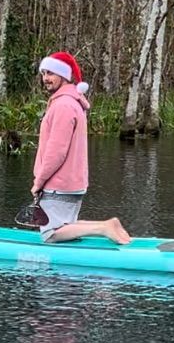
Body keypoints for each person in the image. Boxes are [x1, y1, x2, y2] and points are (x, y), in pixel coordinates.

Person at [31, 52, 131, 245]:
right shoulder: (73, 103)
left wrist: (39, 182)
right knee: (68, 225)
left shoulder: (63, 106)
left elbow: (56, 152)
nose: (45, 79)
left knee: (51, 234)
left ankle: (104, 227)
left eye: (50, 73)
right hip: (72, 182)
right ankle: (106, 226)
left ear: (64, 75)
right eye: (43, 73)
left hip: (58, 184)